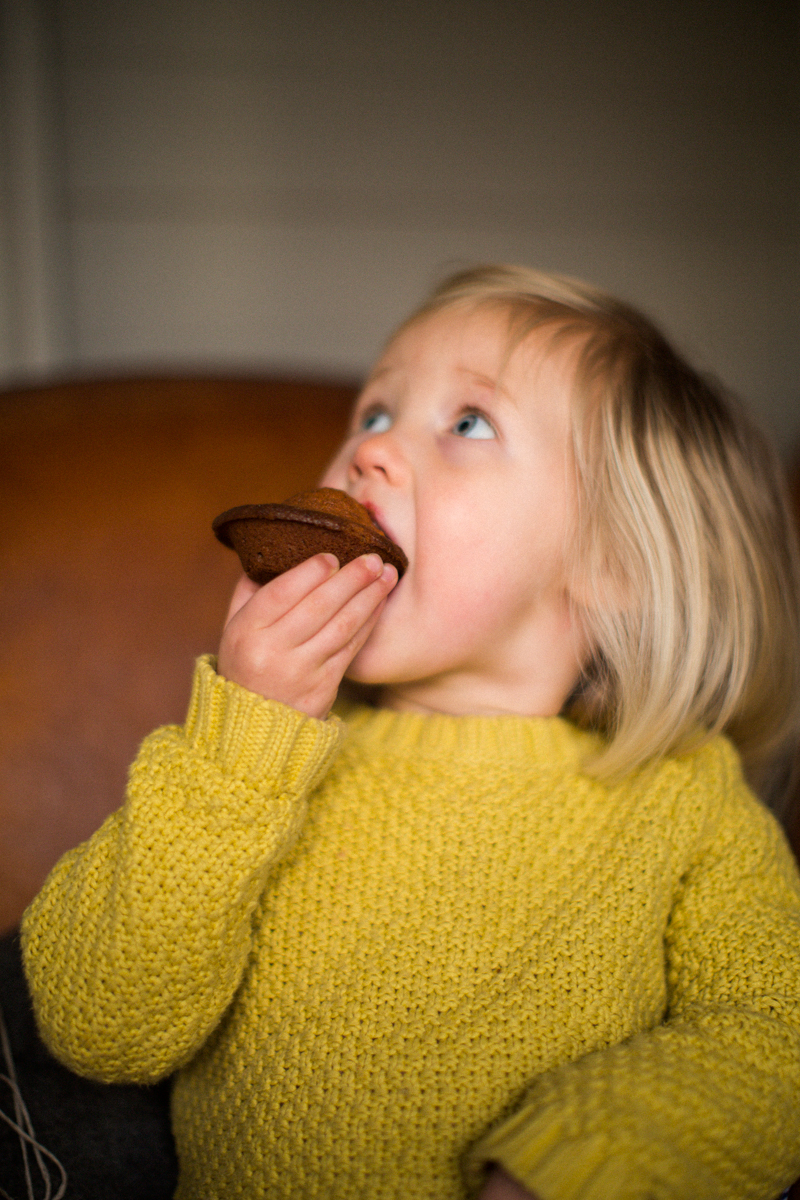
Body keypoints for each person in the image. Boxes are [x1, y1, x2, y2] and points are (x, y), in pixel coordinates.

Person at [21, 265, 800, 1200]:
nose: (369, 455)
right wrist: (242, 739)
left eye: (469, 423)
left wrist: (584, 1160)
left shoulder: (686, 798)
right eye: (375, 414)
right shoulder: (256, 759)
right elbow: (95, 1022)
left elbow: (771, 1039)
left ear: (615, 561)